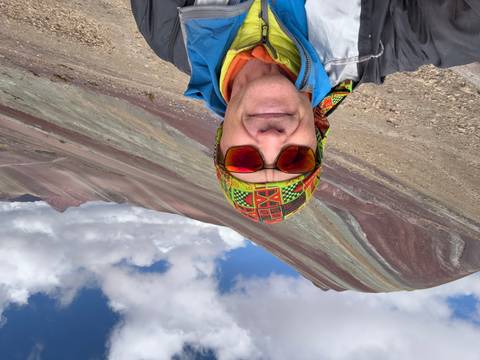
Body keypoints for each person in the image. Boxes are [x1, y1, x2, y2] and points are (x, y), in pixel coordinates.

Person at [131, 0, 480, 224]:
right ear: (316, 138)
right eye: (295, 159)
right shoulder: (377, 43)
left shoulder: (171, 31)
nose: (270, 140)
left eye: (245, 160)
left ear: (221, 141)